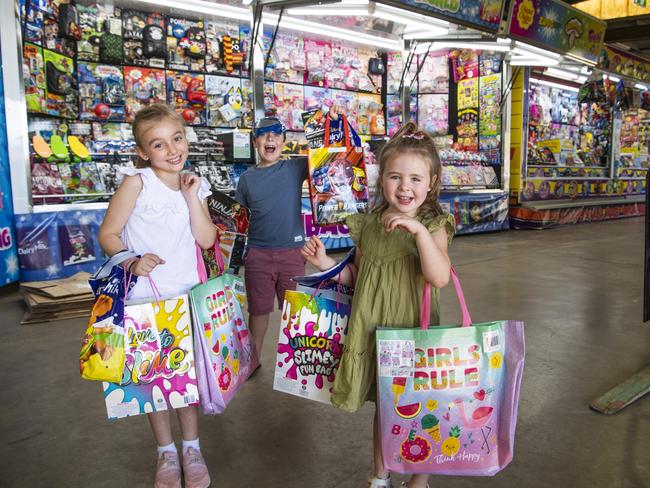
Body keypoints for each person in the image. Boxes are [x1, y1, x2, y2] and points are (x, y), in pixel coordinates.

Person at [302, 122, 455, 488]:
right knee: (385, 406)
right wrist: (326, 266)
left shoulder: (433, 224)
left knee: (423, 406)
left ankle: (420, 479)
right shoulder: (370, 224)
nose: (405, 187)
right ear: (380, 179)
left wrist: (416, 231)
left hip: (413, 334)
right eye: (395, 177)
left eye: (416, 179)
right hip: (375, 330)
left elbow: (439, 277)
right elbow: (360, 275)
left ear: (431, 183)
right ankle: (380, 473)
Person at [98, 104, 217, 488]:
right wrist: (131, 260)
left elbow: (207, 239)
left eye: (177, 139)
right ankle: (166, 453)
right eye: (159, 144)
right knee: (153, 381)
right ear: (143, 152)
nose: (172, 150)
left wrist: (193, 196)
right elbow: (109, 234)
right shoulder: (137, 183)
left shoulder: (192, 184)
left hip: (187, 298)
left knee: (185, 381)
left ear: (186, 139)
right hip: (144, 301)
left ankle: (191, 447)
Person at [234, 116, 308, 360]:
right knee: (258, 312)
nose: (270, 138)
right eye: (264, 134)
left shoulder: (295, 168)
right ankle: (253, 360)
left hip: (292, 253)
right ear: (255, 141)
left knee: (295, 312)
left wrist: (334, 120)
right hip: (258, 255)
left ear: (284, 141)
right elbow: (238, 222)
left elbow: (326, 154)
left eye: (276, 134)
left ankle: (300, 363)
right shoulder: (246, 179)